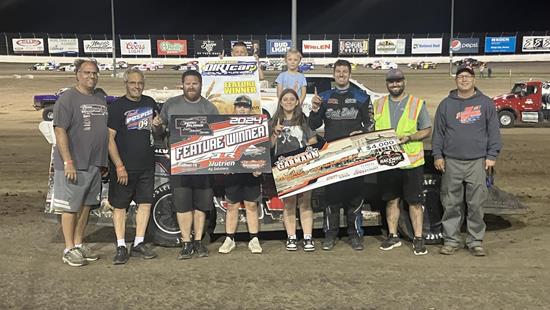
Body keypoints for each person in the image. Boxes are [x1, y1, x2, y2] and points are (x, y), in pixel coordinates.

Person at [432, 65, 501, 257]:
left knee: (476, 204)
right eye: (461, 76)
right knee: (450, 203)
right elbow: (438, 132)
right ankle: (451, 240)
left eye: (468, 77)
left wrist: (491, 155)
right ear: (456, 80)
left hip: (477, 161)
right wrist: (438, 155)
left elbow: (494, 131)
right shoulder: (446, 104)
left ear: (474, 80)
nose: (464, 80)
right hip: (452, 161)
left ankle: (475, 241)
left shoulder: (486, 103)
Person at [152, 70, 219, 260]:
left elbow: (219, 137)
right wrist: (156, 125)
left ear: (200, 85)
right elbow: (159, 134)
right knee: (182, 206)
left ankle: (198, 242)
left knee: (201, 206)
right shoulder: (171, 104)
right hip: (180, 166)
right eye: (188, 83)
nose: (191, 86)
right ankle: (186, 243)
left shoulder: (210, 108)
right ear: (182, 84)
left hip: (203, 166)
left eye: (195, 83)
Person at [309, 59, 374, 251]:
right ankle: (330, 235)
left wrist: (362, 131)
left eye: (345, 72)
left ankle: (355, 235)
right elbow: (313, 125)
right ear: (334, 74)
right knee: (332, 197)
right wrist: (314, 109)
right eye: (338, 72)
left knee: (355, 197)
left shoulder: (362, 97)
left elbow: (371, 123)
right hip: (332, 155)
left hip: (355, 154)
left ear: (349, 74)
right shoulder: (324, 97)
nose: (342, 75)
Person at [52, 59, 108, 266]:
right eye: (86, 73)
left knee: (86, 207)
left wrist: (103, 162)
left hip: (94, 164)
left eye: (94, 73)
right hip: (74, 164)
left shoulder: (100, 97)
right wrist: (68, 161)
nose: (91, 76)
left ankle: (78, 242)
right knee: (70, 207)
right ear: (77, 74)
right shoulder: (67, 99)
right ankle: (68, 248)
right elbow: (59, 130)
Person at [373, 69, 431, 256]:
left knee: (414, 202)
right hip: (388, 162)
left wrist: (411, 137)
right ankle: (392, 235)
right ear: (387, 84)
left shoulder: (416, 103)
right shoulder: (378, 104)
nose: (395, 85)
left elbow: (427, 130)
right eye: (391, 82)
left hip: (411, 162)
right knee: (391, 201)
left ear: (404, 82)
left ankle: (419, 238)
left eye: (398, 81)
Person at [107, 68, 159, 265]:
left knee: (145, 204)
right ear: (126, 84)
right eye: (133, 83)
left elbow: (157, 131)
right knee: (120, 206)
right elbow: (109, 139)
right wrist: (119, 165)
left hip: (146, 165)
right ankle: (121, 245)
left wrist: (158, 125)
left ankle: (138, 243)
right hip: (124, 168)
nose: (137, 86)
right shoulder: (117, 107)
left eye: (140, 83)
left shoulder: (150, 102)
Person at [271, 89, 318, 251]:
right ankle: (291, 237)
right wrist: (274, 133)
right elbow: (268, 146)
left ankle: (307, 237)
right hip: (283, 168)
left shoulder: (303, 120)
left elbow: (312, 140)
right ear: (281, 102)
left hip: (303, 167)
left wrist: (308, 157)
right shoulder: (275, 120)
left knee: (305, 202)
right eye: (285, 99)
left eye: (292, 99)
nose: (289, 102)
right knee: (289, 204)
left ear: (297, 101)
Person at [218, 95, 263, 254]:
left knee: (251, 205)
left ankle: (254, 239)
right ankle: (229, 238)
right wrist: (224, 165)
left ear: (250, 109)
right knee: (232, 205)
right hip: (233, 172)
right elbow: (221, 148)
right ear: (235, 108)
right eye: (239, 106)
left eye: (245, 106)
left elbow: (262, 148)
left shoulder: (258, 126)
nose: (242, 109)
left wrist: (260, 166)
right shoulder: (226, 126)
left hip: (251, 172)